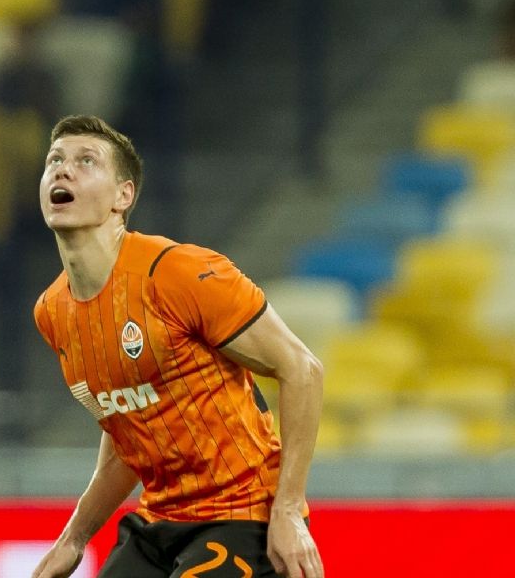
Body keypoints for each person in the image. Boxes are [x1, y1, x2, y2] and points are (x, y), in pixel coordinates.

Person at [30, 115, 324, 578]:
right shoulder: (52, 312)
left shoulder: (179, 273)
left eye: (86, 161)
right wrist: (73, 538)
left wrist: (288, 510)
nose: (63, 169)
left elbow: (302, 370)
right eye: (55, 160)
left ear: (123, 196)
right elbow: (127, 436)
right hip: (159, 522)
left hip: (243, 512)